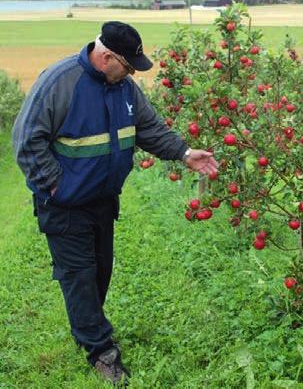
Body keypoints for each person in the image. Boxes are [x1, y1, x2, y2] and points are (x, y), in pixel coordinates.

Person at [12, 21, 217, 385]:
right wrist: (57, 188)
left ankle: (87, 327)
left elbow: (150, 129)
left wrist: (185, 153)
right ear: (106, 56)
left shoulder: (123, 87)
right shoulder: (60, 82)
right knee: (80, 278)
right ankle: (100, 350)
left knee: (100, 271)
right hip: (65, 206)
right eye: (128, 65)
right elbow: (27, 141)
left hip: (104, 202)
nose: (132, 73)